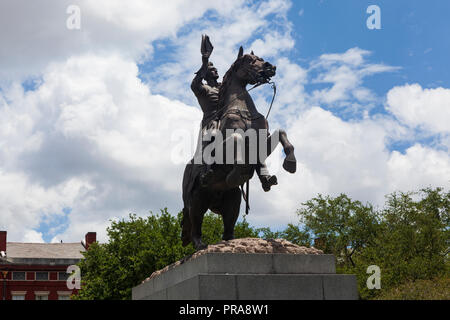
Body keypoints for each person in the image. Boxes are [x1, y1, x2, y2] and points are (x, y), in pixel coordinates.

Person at [191, 35, 277, 192]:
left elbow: (235, 79)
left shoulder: (224, 87)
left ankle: (263, 173)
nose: (215, 71)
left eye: (216, 69)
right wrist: (205, 62)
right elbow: (194, 83)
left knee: (254, 134)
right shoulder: (203, 89)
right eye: (212, 70)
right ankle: (206, 170)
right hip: (213, 120)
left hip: (231, 117)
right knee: (211, 132)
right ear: (205, 74)